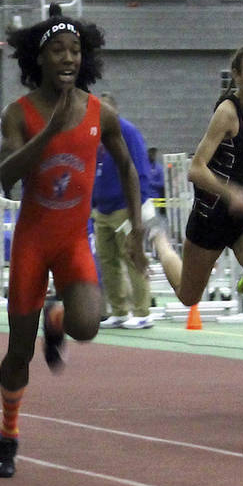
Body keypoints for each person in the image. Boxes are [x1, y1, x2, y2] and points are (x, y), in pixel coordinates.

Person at [0, 4, 147, 478]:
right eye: (57, 49)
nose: (67, 58)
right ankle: (9, 432)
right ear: (38, 59)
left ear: (86, 58)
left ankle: (56, 317)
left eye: (76, 50)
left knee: (87, 326)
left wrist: (137, 227)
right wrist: (50, 132)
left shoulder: (100, 112)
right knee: (19, 353)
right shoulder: (18, 114)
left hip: (73, 241)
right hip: (33, 245)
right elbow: (4, 179)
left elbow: (127, 166)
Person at [148, 43, 243, 421]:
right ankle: (159, 240)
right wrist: (231, 192)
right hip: (213, 214)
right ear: (237, 77)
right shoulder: (227, 114)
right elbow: (196, 169)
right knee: (187, 296)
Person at [94, 92, 154, 330]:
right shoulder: (96, 136)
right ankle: (119, 310)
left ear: (114, 112)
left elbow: (139, 170)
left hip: (125, 207)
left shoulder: (127, 132)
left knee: (132, 257)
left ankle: (142, 311)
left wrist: (136, 210)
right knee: (107, 261)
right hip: (102, 209)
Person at [146, 146, 165, 212]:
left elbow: (162, 183)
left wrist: (150, 183)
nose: (152, 155)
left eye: (154, 153)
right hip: (144, 200)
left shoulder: (159, 168)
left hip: (155, 200)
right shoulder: (143, 167)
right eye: (150, 153)